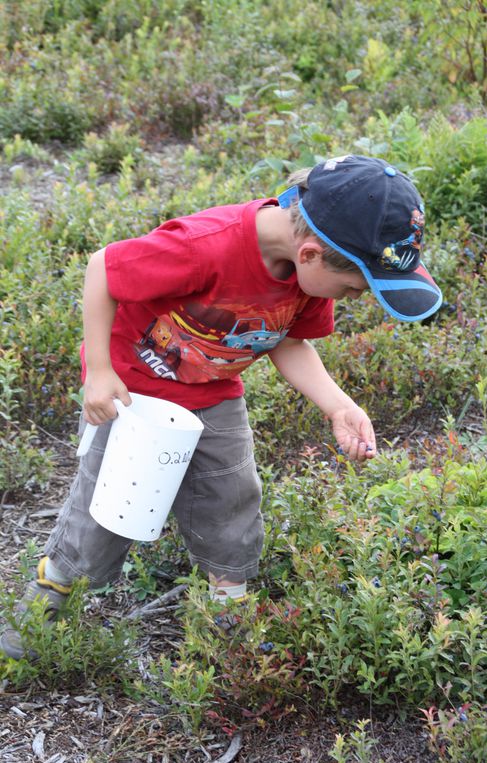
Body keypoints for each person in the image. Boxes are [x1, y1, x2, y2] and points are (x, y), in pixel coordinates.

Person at [0, 154, 442, 659]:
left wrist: (338, 405)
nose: (356, 296)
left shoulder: (306, 274)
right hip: (133, 396)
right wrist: (99, 371)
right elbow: (104, 267)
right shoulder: (205, 245)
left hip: (213, 396)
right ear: (312, 253)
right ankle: (33, 623)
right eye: (354, 287)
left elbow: (288, 340)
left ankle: (228, 626)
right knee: (105, 515)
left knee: (233, 502)